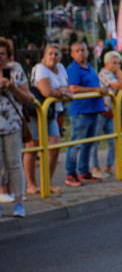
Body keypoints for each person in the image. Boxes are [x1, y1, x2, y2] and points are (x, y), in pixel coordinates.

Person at [24, 43, 71, 195]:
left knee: (55, 146)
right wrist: (61, 93)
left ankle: (47, 182)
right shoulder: (40, 68)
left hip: (52, 113)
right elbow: (46, 91)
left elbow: (67, 87)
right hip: (37, 111)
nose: (53, 56)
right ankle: (31, 185)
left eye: (56, 54)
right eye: (50, 53)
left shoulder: (61, 68)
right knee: (33, 146)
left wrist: (61, 92)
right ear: (44, 55)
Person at [65, 41, 109, 187]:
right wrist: (96, 90)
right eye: (77, 51)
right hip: (81, 111)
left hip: (94, 109)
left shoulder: (89, 66)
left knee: (88, 143)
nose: (80, 53)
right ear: (72, 54)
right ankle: (71, 173)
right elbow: (74, 88)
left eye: (83, 50)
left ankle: (84, 171)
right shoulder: (73, 69)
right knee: (76, 143)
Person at [0, 37, 33, 217]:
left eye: (3, 54)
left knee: (14, 163)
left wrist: (11, 86)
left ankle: (19, 202)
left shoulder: (15, 70)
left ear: (8, 55)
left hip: (12, 124)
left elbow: (28, 98)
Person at [90, 50, 122, 178]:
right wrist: (120, 73)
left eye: (118, 63)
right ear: (106, 63)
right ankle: (95, 167)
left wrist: (119, 74)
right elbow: (119, 85)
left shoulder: (115, 74)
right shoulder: (105, 74)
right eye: (114, 63)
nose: (117, 65)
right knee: (96, 141)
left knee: (114, 140)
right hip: (101, 110)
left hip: (110, 111)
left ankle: (108, 166)